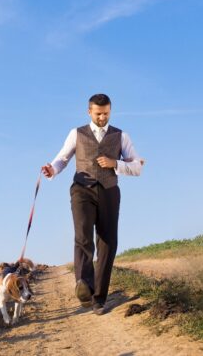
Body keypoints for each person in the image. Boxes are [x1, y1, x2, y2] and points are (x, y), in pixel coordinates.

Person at [41, 93, 144, 315]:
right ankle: (84, 285)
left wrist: (114, 163)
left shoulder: (121, 136)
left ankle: (99, 298)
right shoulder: (76, 134)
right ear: (89, 112)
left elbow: (137, 166)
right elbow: (63, 158)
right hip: (82, 190)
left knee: (108, 243)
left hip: (109, 191)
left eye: (106, 113)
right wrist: (52, 169)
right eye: (98, 114)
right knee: (83, 236)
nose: (102, 118)